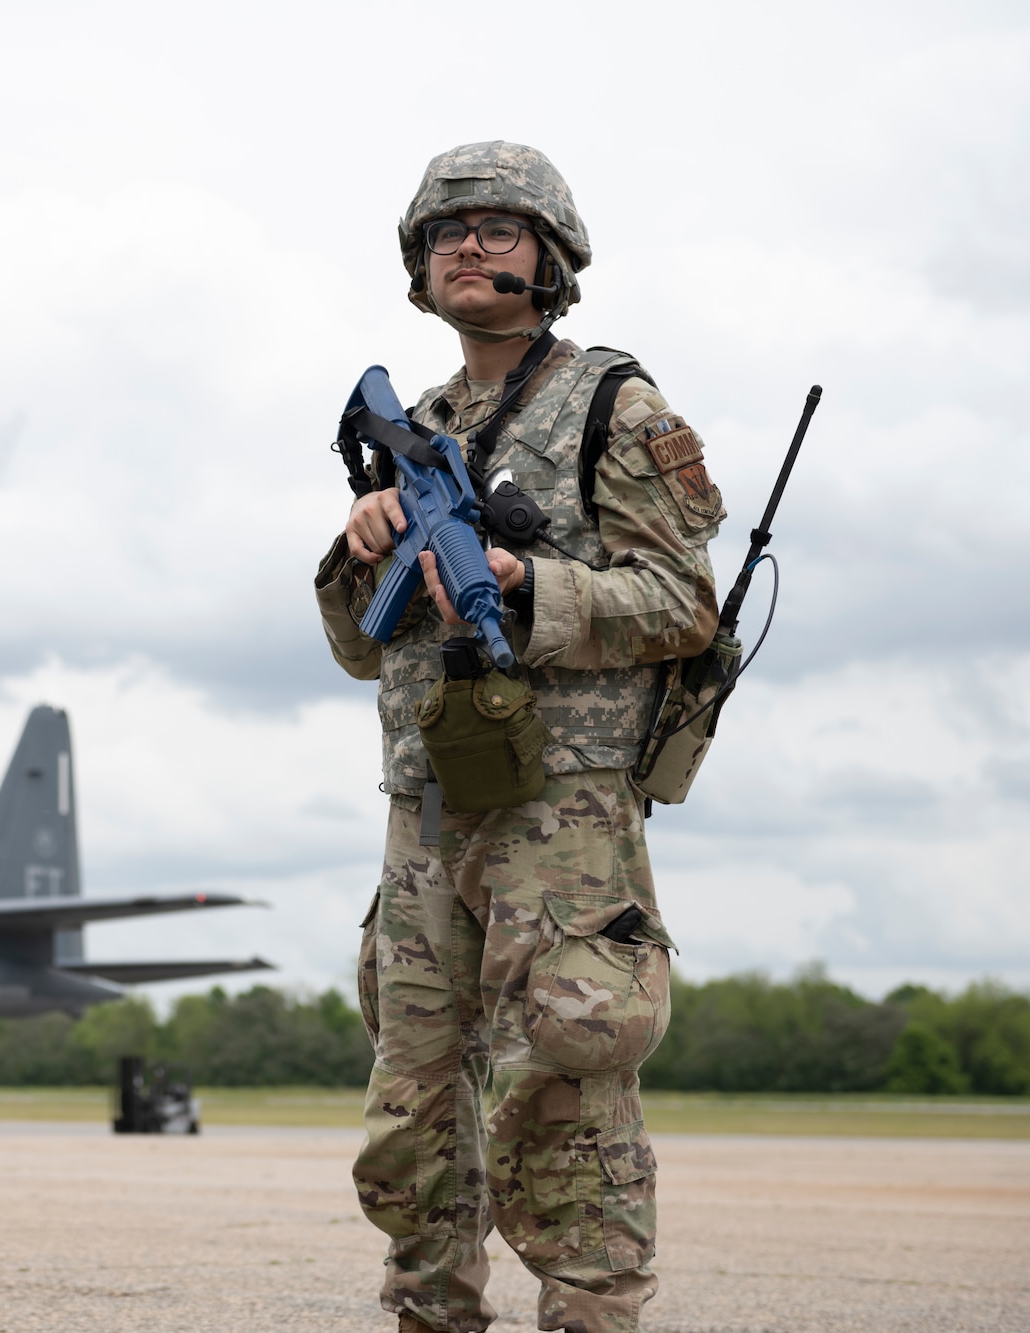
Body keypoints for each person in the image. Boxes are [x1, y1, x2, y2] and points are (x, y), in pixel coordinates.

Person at [314, 142, 726, 1333]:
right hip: (426, 806)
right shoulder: (419, 426)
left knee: (561, 1095)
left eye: (499, 228)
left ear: (550, 257)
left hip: (563, 812)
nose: (470, 246)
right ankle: (427, 1313)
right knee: (409, 1114)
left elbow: (680, 604)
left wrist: (528, 585)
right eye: (448, 230)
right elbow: (355, 646)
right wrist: (359, 549)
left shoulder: (613, 403)